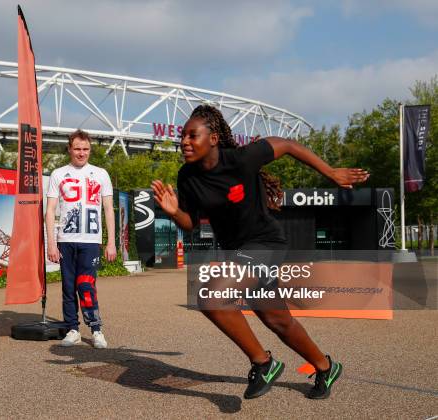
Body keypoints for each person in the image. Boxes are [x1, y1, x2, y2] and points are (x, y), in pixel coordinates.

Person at [151, 105, 369, 399]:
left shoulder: (243, 158)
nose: (185, 142)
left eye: (193, 135)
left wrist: (330, 172)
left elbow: (288, 144)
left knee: (210, 295)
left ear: (213, 138)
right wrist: (175, 211)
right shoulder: (187, 176)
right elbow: (189, 225)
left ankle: (263, 362)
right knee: (278, 320)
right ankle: (325, 366)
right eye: (182, 136)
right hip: (237, 254)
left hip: (266, 244)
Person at [46, 129, 117, 349]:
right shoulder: (58, 174)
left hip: (90, 240)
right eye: (77, 148)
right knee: (68, 287)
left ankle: (96, 330)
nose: (81, 153)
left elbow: (108, 209)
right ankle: (73, 329)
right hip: (66, 239)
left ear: (90, 150)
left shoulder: (101, 173)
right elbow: (50, 210)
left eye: (85, 149)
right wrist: (51, 243)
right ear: (69, 149)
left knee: (86, 286)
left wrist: (111, 241)